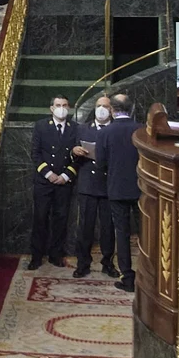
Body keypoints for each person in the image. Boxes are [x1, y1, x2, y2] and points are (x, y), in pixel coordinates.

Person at [92, 94, 141, 291]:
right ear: (132, 108)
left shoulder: (105, 133)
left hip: (116, 189)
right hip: (141, 189)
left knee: (122, 234)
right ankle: (150, 276)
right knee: (146, 234)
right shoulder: (142, 129)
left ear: (112, 110)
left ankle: (127, 278)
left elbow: (101, 163)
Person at [29, 95, 79, 270]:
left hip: (64, 182)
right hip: (44, 182)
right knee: (40, 218)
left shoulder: (75, 128)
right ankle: (36, 256)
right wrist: (48, 174)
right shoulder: (41, 126)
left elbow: (78, 156)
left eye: (65, 105)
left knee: (61, 219)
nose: (62, 108)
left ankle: (55, 255)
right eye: (58, 105)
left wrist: (65, 176)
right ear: (51, 108)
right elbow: (35, 154)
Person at [71, 94, 119, 277]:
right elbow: (73, 152)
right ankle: (83, 263)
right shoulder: (83, 129)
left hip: (108, 185)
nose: (101, 109)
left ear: (112, 110)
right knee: (85, 227)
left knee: (108, 228)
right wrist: (74, 151)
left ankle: (108, 263)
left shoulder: (116, 129)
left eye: (105, 106)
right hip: (88, 185)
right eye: (99, 105)